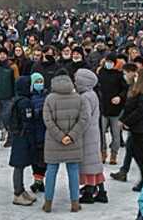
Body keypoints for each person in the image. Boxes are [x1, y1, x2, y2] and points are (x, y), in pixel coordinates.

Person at [41, 74, 89, 213]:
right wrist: (71, 136)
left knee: (51, 171)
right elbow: (84, 119)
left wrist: (60, 136)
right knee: (73, 171)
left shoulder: (50, 98)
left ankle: (48, 203)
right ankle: (75, 203)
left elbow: (47, 120)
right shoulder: (78, 98)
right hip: (73, 142)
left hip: (53, 142)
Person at [120, 67, 143, 192]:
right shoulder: (142, 92)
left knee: (141, 155)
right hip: (139, 128)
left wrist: (127, 121)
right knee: (138, 150)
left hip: (141, 129)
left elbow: (141, 111)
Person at [74, 69, 107, 204]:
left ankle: (89, 192)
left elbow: (85, 118)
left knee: (88, 163)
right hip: (94, 132)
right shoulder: (92, 94)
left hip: (87, 134)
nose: (75, 82)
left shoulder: (85, 97)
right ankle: (101, 190)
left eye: (77, 79)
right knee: (94, 162)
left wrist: (77, 131)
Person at [9, 76, 41, 206]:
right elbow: (28, 121)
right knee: (19, 165)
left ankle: (21, 190)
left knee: (20, 164)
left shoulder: (16, 100)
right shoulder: (25, 102)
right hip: (23, 137)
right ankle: (18, 193)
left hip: (18, 136)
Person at [98, 53, 128, 165]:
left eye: (111, 62)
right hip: (103, 108)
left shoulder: (119, 75)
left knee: (115, 134)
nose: (108, 64)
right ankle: (103, 152)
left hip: (116, 109)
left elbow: (125, 89)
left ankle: (114, 155)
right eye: (107, 61)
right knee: (101, 133)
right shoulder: (101, 72)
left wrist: (119, 97)